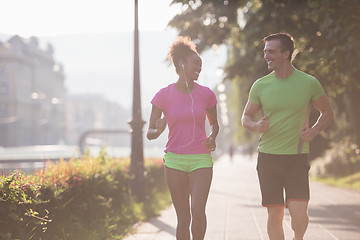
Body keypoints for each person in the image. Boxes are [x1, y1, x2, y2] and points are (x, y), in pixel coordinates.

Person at [241, 33, 333, 240]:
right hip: (268, 158)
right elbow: (245, 117)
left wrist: (314, 130)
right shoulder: (260, 85)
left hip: (296, 158)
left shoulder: (308, 83)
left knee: (299, 215)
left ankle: (297, 237)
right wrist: (256, 125)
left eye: (271, 52)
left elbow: (327, 112)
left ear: (286, 54)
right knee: (275, 214)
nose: (266, 56)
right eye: (265, 52)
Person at [146, 36, 219, 240]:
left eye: (201, 65)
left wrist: (212, 136)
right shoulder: (163, 96)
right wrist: (158, 130)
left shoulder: (207, 95)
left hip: (201, 159)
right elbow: (149, 133)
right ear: (181, 63)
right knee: (184, 217)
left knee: (197, 210)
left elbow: (214, 124)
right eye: (196, 64)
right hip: (174, 160)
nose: (200, 68)